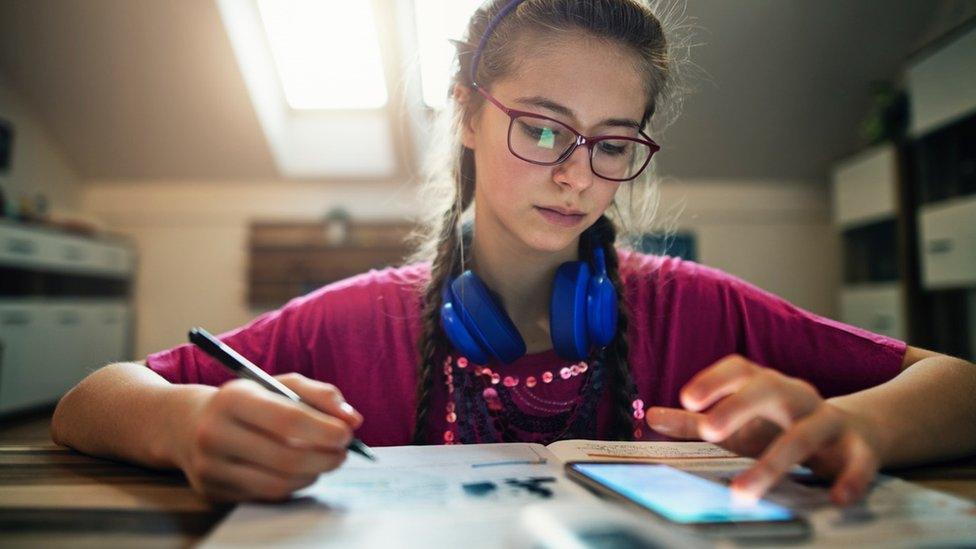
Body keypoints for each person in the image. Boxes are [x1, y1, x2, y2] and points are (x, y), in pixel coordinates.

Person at [51, 0, 976, 506]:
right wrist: (185, 425)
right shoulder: (356, 319)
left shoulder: (697, 309)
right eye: (542, 128)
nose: (577, 174)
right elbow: (92, 396)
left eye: (613, 143)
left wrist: (866, 429)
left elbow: (959, 381)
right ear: (464, 109)